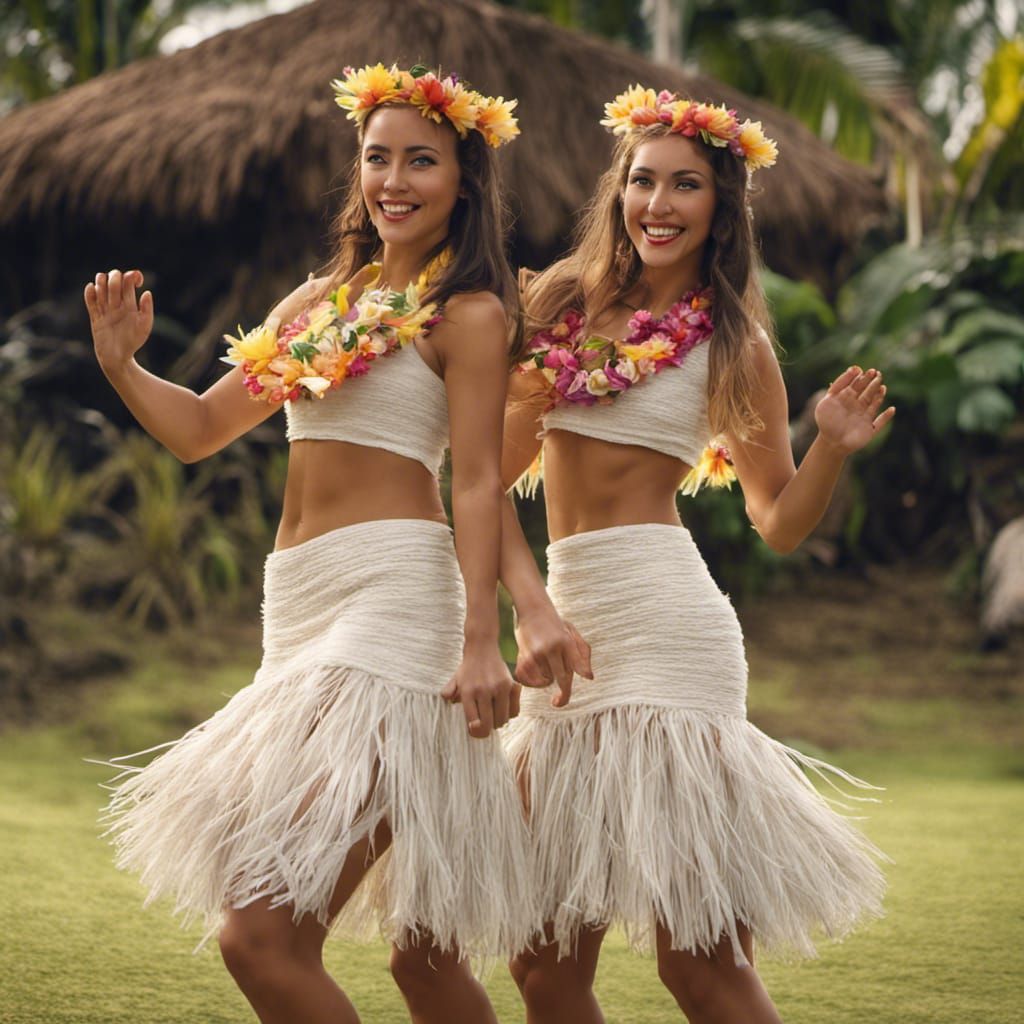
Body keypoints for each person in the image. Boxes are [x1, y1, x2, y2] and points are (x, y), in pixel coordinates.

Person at [85, 64, 583, 1024]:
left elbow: (477, 481)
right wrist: (122, 367)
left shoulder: (469, 313)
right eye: (377, 157)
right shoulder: (317, 302)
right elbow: (196, 429)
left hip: (395, 604)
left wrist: (487, 637)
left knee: (260, 930)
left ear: (465, 182)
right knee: (423, 963)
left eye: (422, 161)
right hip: (299, 605)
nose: (394, 180)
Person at [498, 85, 892, 1024]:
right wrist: (521, 603)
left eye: (686, 186)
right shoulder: (554, 304)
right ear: (618, 191)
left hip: (672, 636)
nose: (659, 204)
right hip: (566, 631)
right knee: (543, 969)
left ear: (722, 208)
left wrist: (829, 444)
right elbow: (486, 474)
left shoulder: (732, 343)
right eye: (642, 182)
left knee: (700, 961)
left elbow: (779, 521)